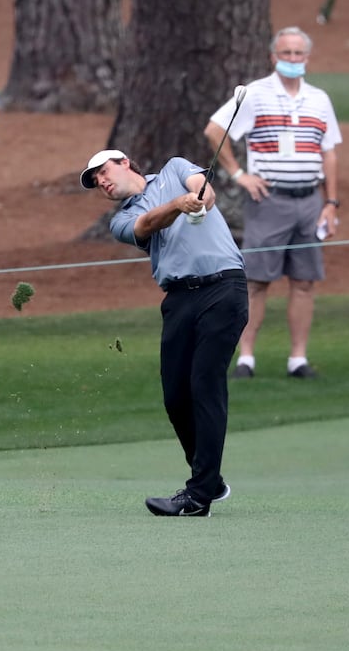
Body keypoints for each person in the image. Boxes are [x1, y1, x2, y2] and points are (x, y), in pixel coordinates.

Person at [82, 149, 246, 517]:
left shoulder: (174, 167)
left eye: (103, 172)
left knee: (205, 383)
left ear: (125, 162)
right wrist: (177, 205)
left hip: (223, 288)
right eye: (95, 182)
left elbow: (205, 192)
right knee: (175, 396)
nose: (102, 182)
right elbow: (146, 225)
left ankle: (199, 494)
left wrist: (197, 199)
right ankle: (210, 479)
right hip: (178, 300)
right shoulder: (121, 219)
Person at [204, 27, 341, 380]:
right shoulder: (255, 93)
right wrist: (238, 175)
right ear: (273, 57)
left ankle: (297, 359)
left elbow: (329, 154)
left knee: (304, 280)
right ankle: (246, 357)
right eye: (286, 53)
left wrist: (332, 202)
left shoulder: (319, 99)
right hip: (269, 199)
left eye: (298, 53)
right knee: (257, 281)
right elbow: (214, 130)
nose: (293, 59)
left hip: (309, 199)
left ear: (307, 58)